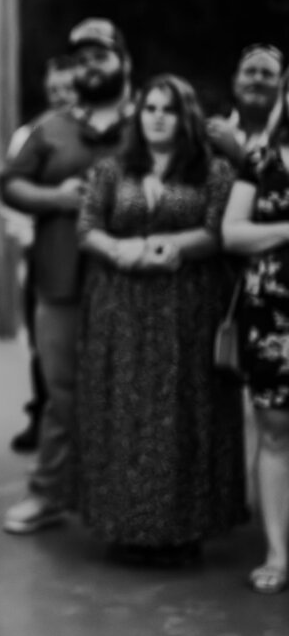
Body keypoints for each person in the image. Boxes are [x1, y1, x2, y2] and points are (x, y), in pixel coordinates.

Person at [78, 74, 245, 565]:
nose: (156, 116)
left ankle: (183, 529)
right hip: (121, 307)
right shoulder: (111, 169)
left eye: (167, 109)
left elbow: (218, 231)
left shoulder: (211, 171)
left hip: (187, 308)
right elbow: (88, 227)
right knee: (124, 411)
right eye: (149, 107)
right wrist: (123, 249)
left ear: (185, 116)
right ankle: (125, 524)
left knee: (184, 411)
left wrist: (171, 245)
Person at [0, 17, 133, 535]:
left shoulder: (149, 121)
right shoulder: (49, 129)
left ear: (123, 61)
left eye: (100, 55)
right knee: (62, 392)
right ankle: (49, 493)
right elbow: (9, 185)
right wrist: (56, 198)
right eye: (80, 59)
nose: (89, 67)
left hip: (132, 286)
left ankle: (124, 500)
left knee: (130, 391)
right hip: (61, 283)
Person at [222, 66, 289, 595]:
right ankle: (277, 552)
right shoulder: (262, 161)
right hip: (272, 318)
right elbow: (233, 232)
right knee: (273, 430)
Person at [6, 55, 79, 452]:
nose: (62, 96)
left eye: (69, 89)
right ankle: (42, 413)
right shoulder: (29, 135)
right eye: (55, 90)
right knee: (42, 340)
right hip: (41, 252)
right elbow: (10, 197)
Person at [207, 44, 284, 166]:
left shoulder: (284, 141)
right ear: (235, 83)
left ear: (281, 88)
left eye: (267, 74)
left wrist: (238, 153)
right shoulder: (209, 133)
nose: (258, 79)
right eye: (250, 71)